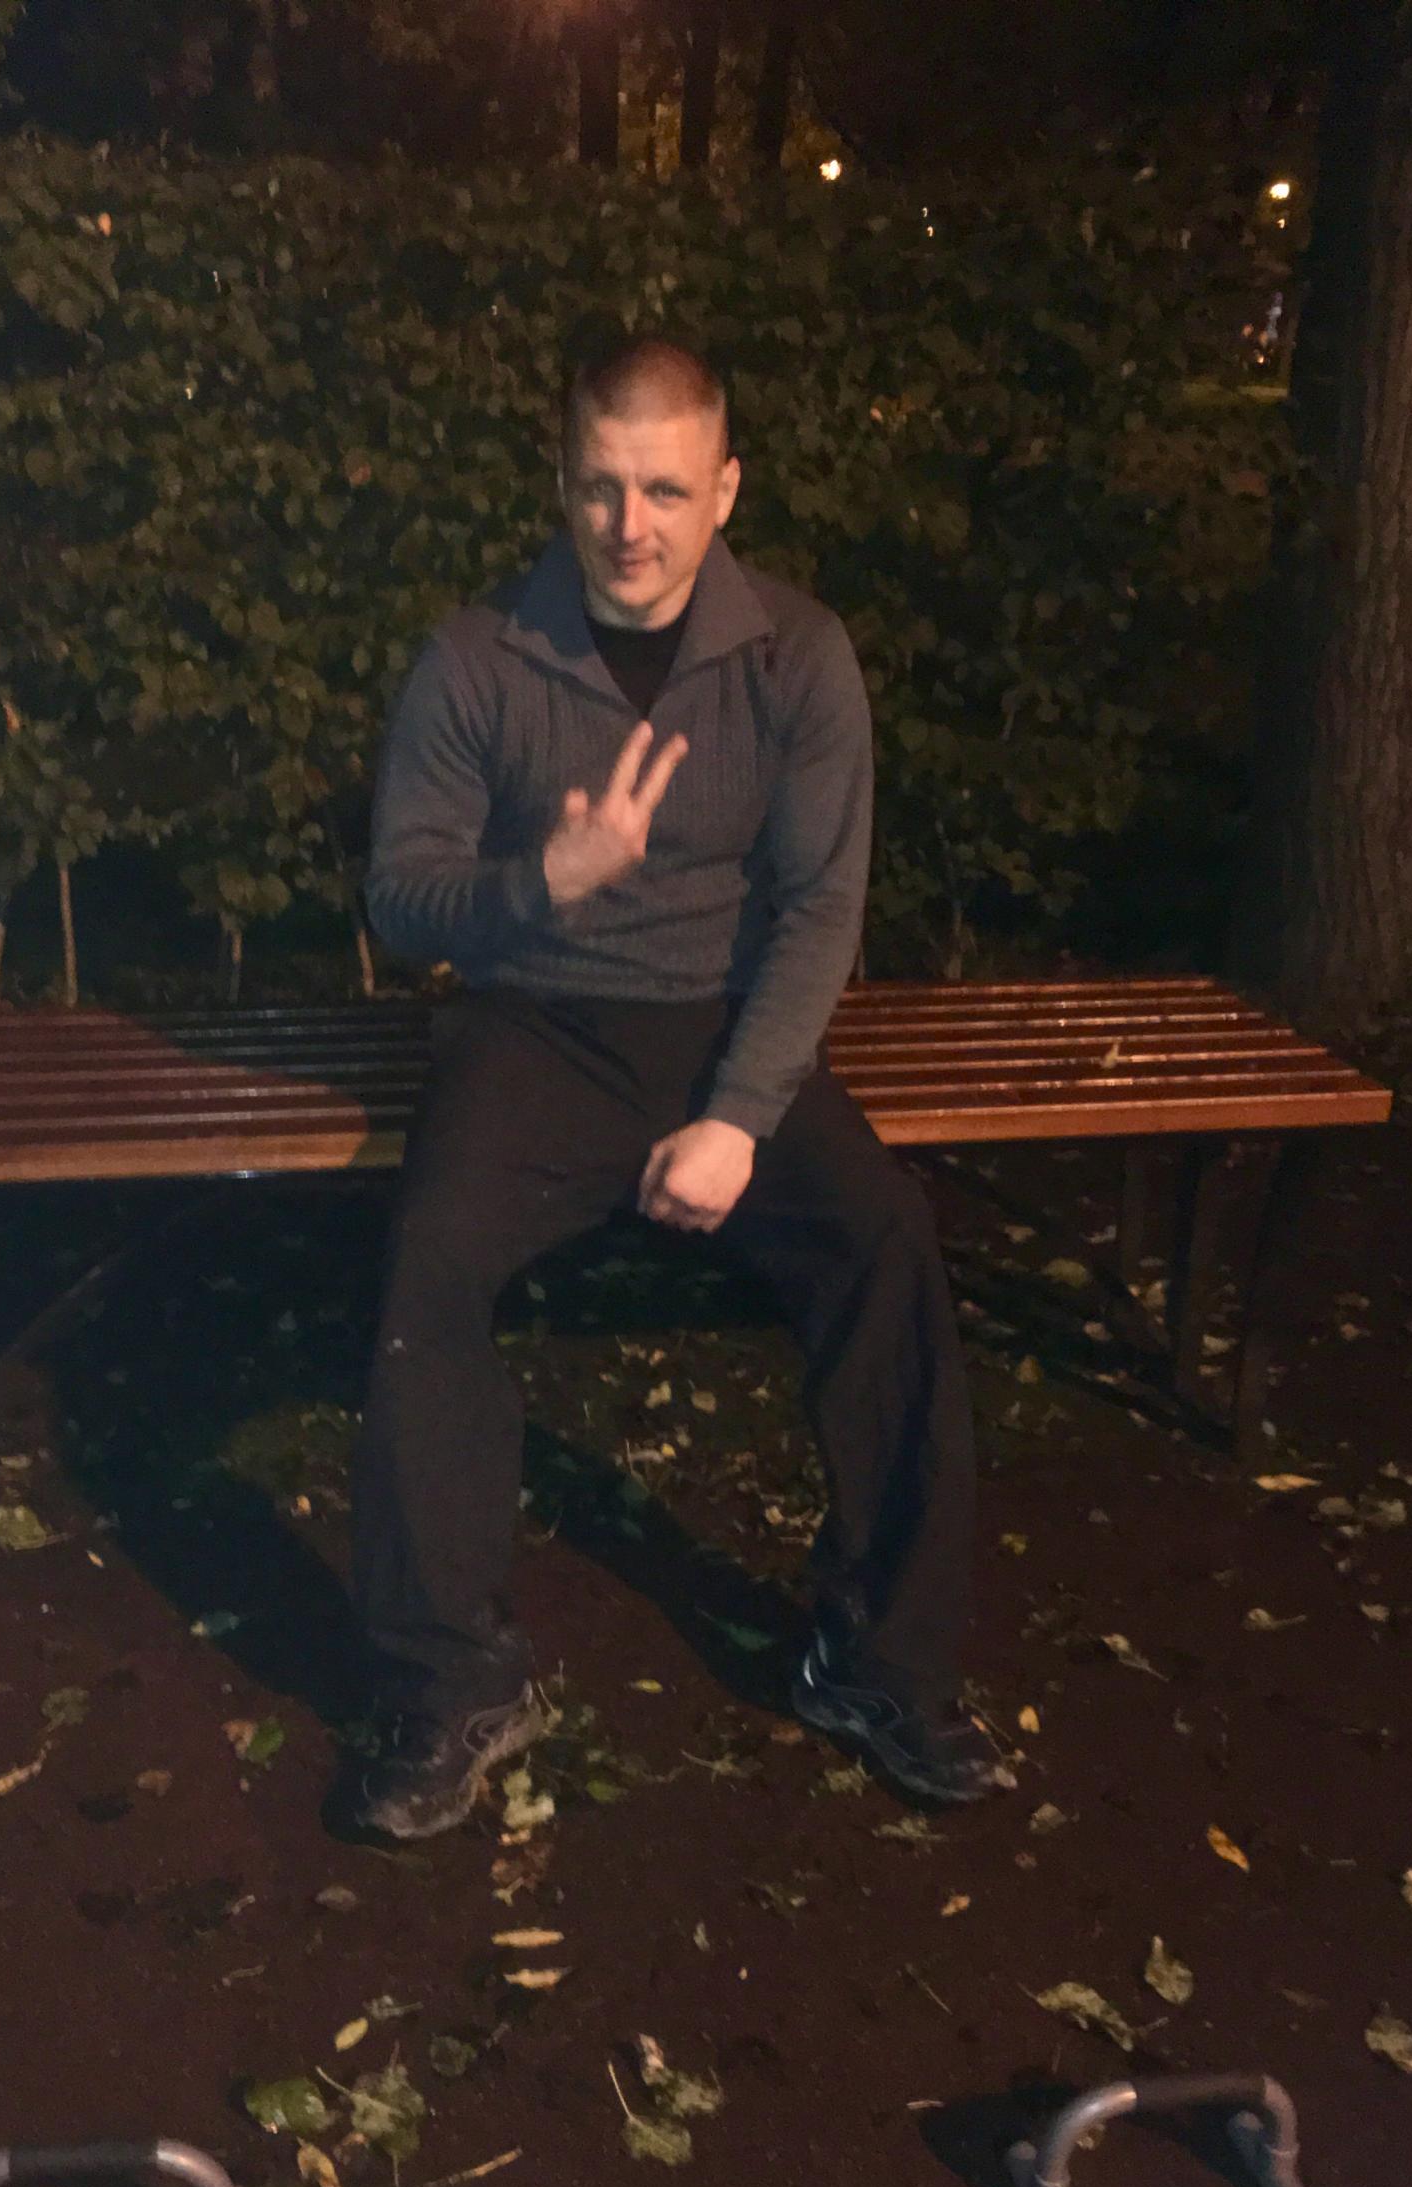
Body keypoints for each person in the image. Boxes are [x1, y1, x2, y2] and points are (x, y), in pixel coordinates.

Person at [347, 335, 1007, 1841]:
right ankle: (452, 1680)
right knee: (428, 1262)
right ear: (560, 484)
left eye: (663, 490)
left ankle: (879, 1664)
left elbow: (820, 909)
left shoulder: (797, 658)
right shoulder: (474, 659)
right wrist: (544, 878)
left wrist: (738, 1115)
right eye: (600, 488)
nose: (629, 526)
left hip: (728, 1033)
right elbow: (402, 898)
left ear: (725, 490)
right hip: (539, 1029)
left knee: (888, 1242)